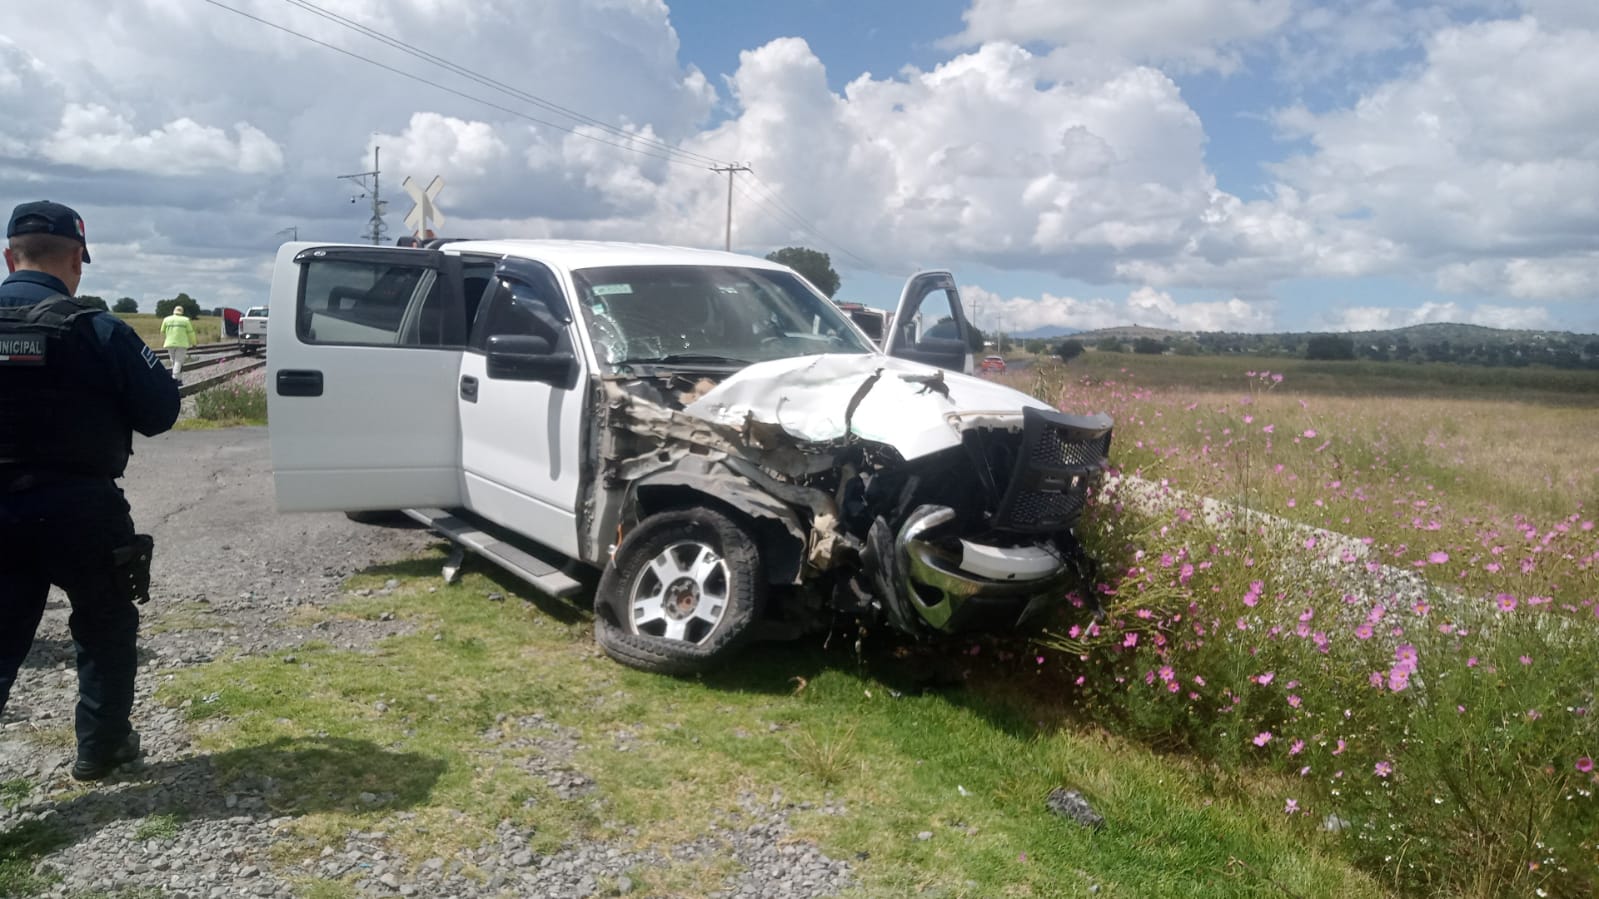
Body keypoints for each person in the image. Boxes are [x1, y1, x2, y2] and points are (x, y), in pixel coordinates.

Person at [0, 200, 180, 781]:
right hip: (82, 507)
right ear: (78, 259)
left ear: (9, 257)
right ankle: (101, 748)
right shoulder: (99, 329)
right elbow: (159, 413)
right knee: (104, 625)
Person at [160, 303, 196, 380]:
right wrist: (194, 343)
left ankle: (178, 379)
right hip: (182, 344)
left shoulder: (166, 319)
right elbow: (191, 333)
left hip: (169, 343)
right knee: (178, 361)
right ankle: (175, 378)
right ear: (182, 312)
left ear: (174, 311)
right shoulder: (186, 320)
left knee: (173, 361)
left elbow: (162, 330)